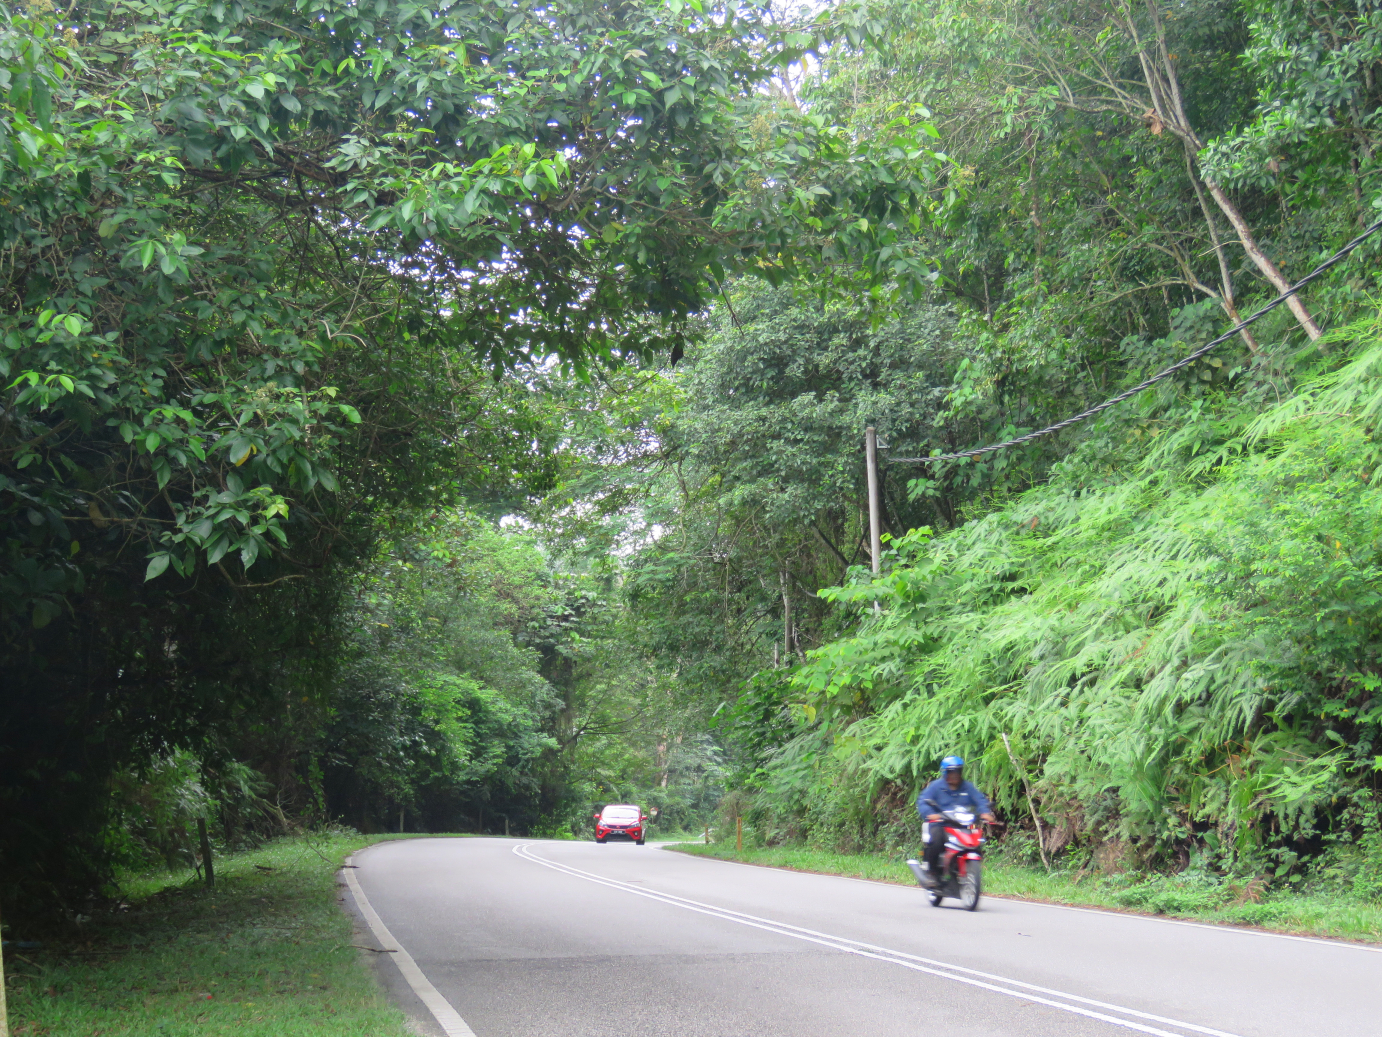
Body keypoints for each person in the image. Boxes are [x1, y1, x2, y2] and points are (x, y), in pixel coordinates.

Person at [915, 755, 994, 887]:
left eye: (958, 771)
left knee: (975, 841)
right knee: (936, 839)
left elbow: (980, 800)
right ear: (945, 772)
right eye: (951, 772)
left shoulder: (968, 787)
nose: (955, 775)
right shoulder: (936, 787)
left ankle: (968, 869)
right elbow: (923, 801)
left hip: (962, 825)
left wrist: (985, 812)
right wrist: (931, 814)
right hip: (942, 824)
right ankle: (932, 873)